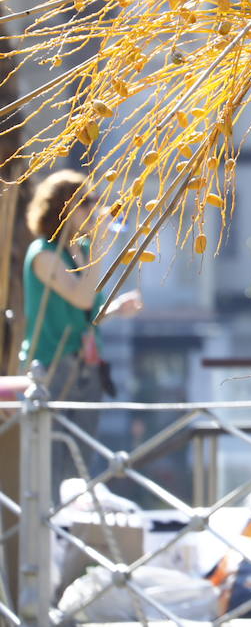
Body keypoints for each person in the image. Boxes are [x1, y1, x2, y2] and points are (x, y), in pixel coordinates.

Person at [22, 170, 142, 481]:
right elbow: (81, 298)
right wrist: (101, 243)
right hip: (53, 365)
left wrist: (115, 309)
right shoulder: (43, 254)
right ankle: (49, 525)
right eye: (86, 202)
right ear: (63, 207)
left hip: (87, 365)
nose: (94, 208)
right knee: (52, 458)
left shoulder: (82, 251)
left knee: (79, 461)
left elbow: (90, 311)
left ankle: (68, 523)